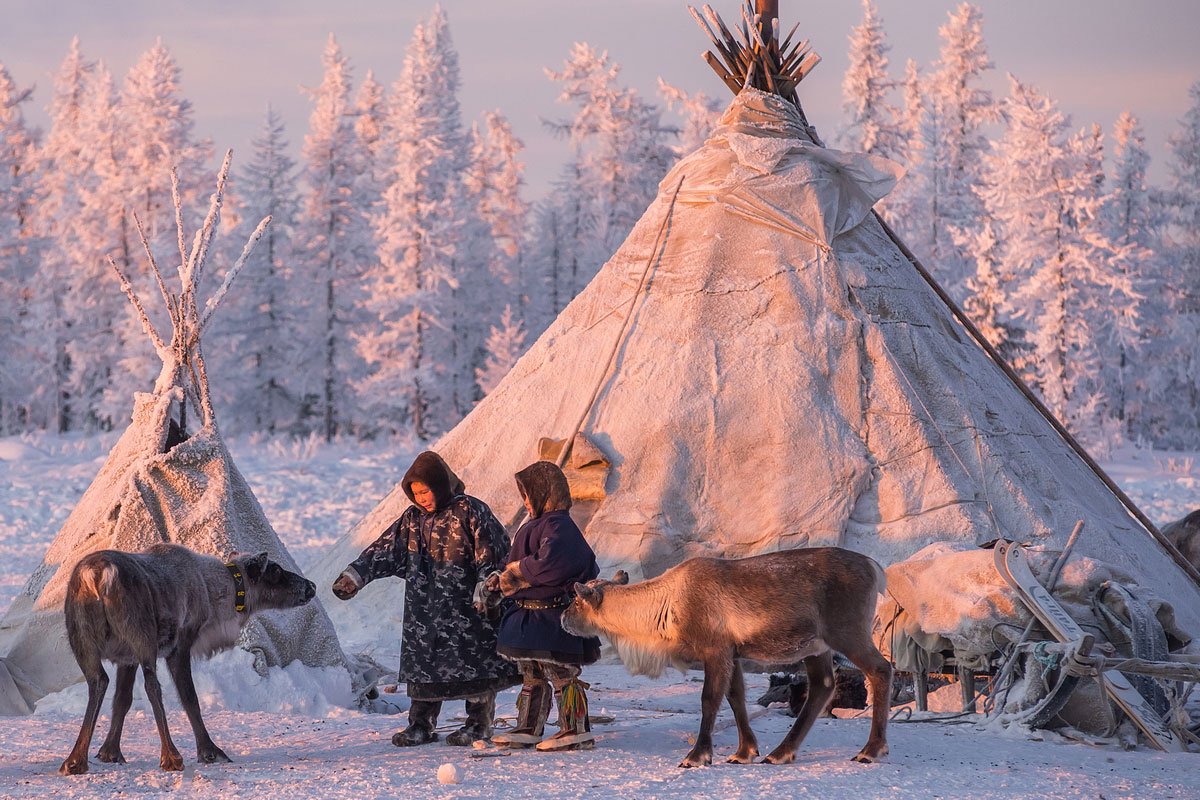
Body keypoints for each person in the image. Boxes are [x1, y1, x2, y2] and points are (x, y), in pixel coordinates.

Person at [331, 451, 518, 747]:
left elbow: (492, 552)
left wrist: (487, 588)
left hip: (468, 610)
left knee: (475, 666)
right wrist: (355, 576)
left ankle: (478, 725)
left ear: (440, 485)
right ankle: (420, 725)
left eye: (425, 491)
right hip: (424, 609)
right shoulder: (413, 519)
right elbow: (385, 549)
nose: (421, 499)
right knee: (424, 666)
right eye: (416, 494)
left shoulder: (470, 511)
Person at [487, 460, 602, 751]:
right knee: (532, 674)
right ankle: (529, 726)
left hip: (552, 617)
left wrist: (514, 575)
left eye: (528, 496)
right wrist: (498, 577)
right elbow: (513, 560)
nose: (526, 502)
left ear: (544, 494)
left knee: (561, 673)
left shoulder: (559, 525)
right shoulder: (533, 525)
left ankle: (575, 728)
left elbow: (552, 562)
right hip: (528, 617)